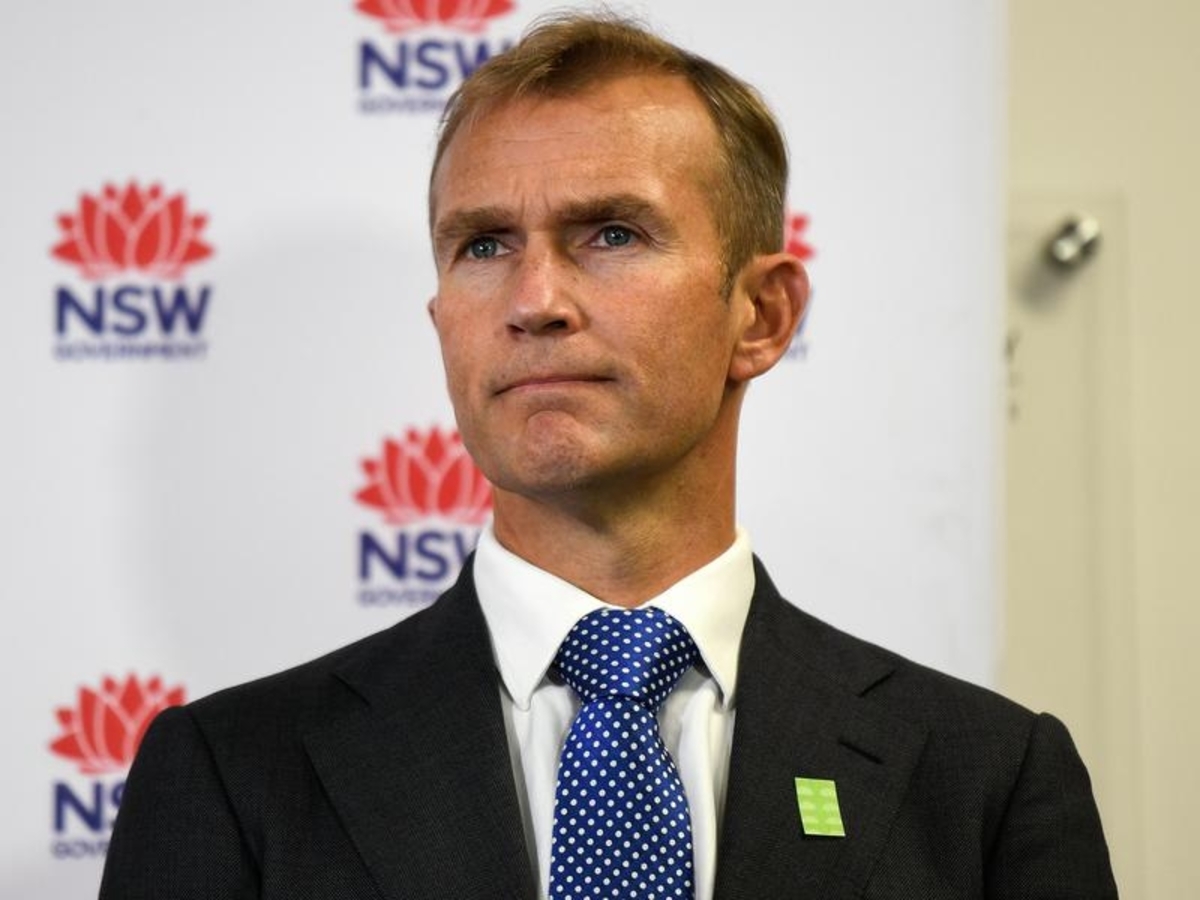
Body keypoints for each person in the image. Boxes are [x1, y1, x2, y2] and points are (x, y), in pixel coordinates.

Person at [100, 12, 1117, 900]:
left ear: (762, 315)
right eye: (484, 245)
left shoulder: (986, 780)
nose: (535, 300)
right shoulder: (232, 775)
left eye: (613, 234)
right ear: (443, 319)